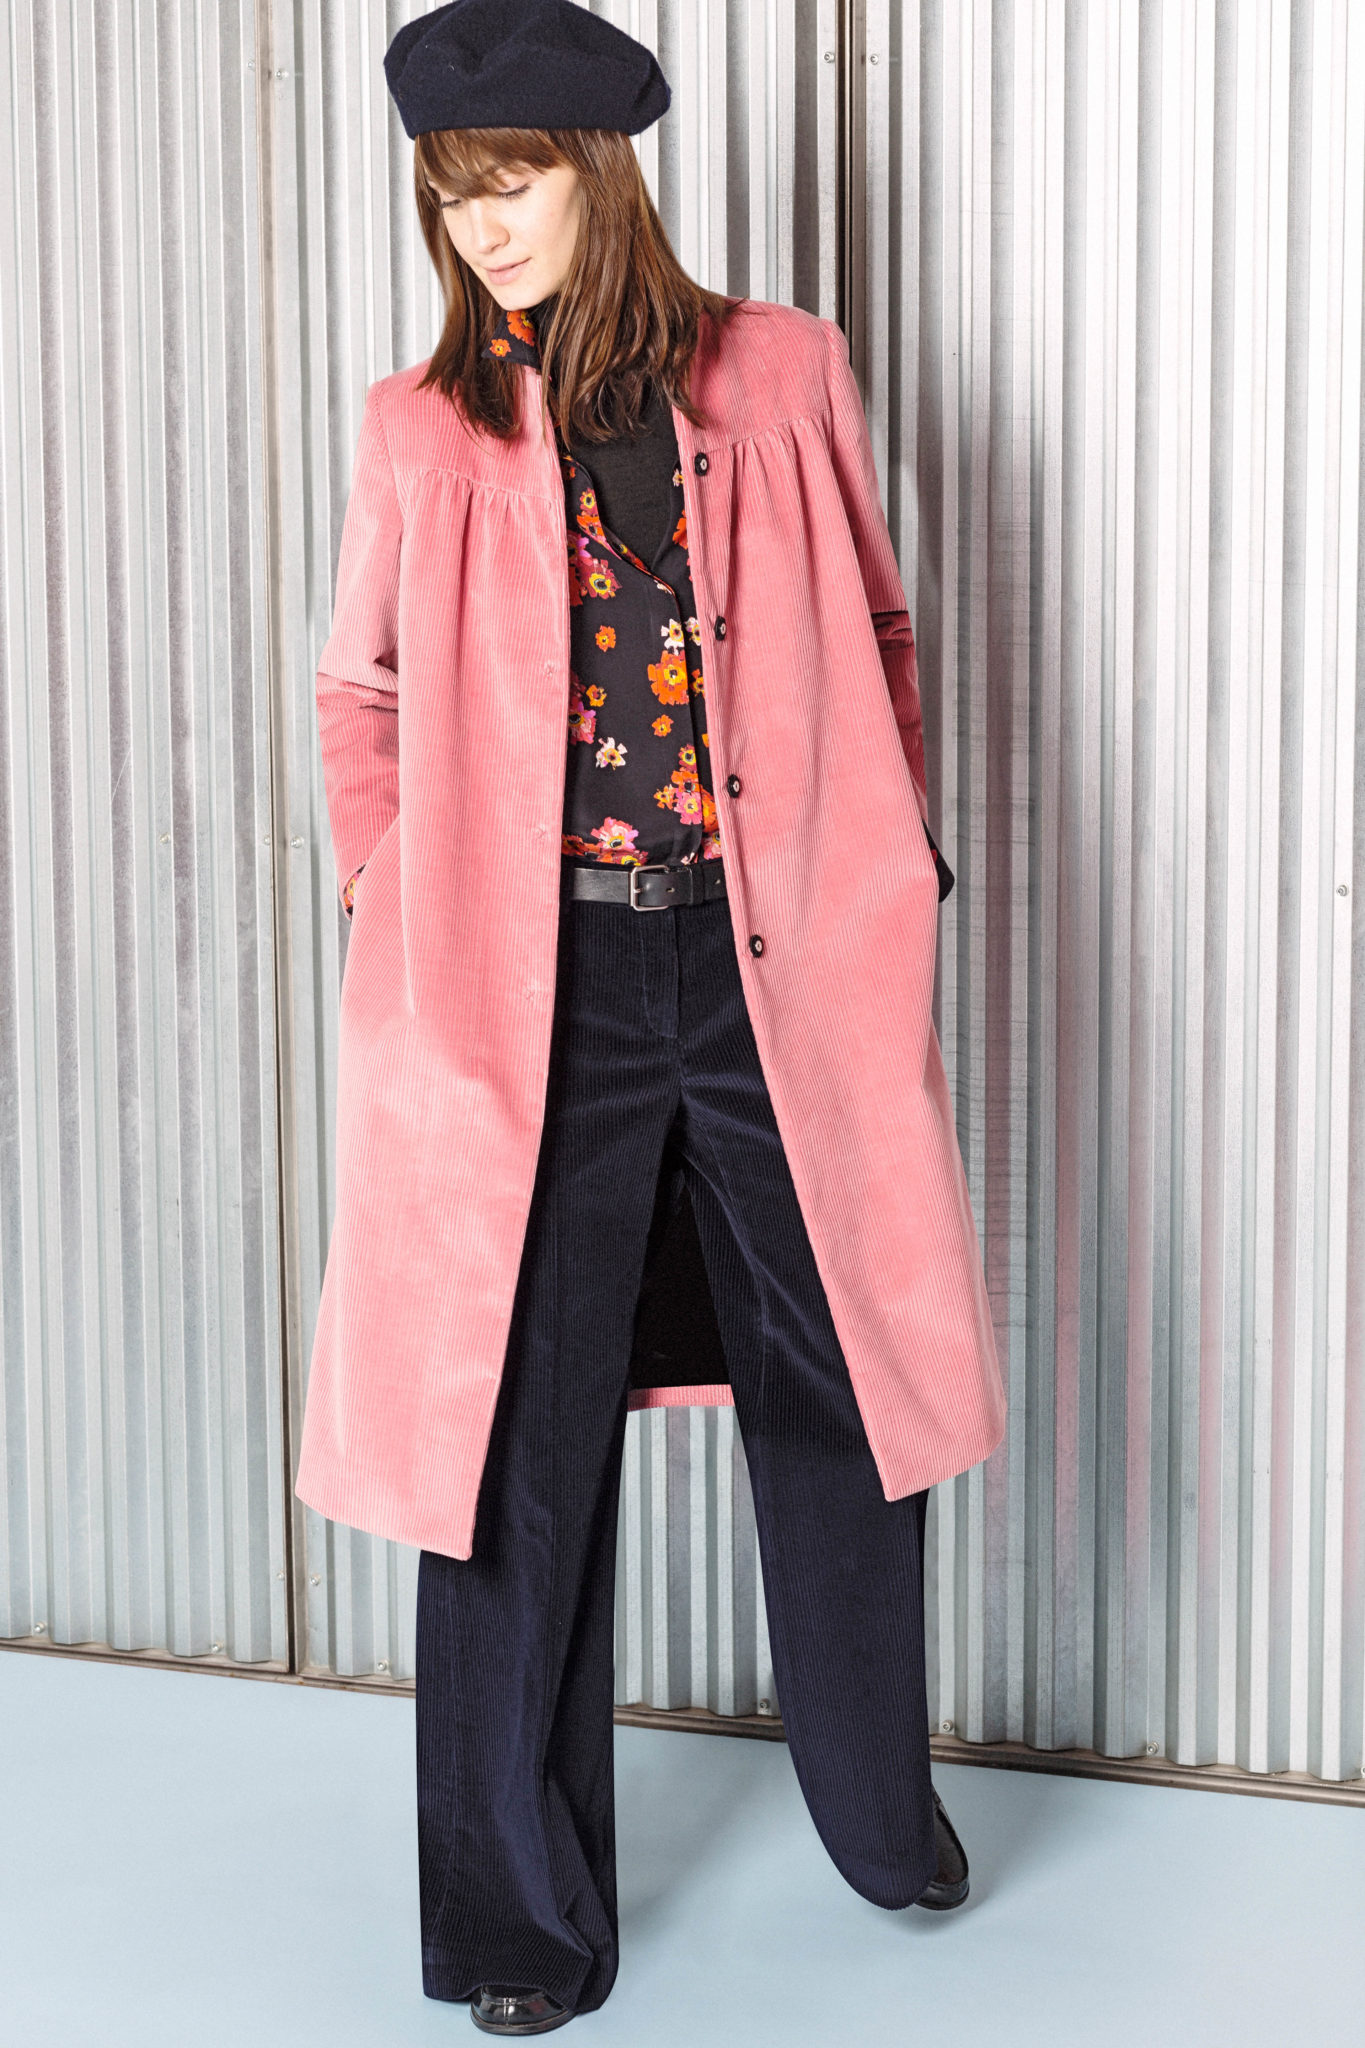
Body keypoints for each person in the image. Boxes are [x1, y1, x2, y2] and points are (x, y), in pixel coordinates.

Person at [294, 0, 1007, 2033]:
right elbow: (359, 697)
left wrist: (890, 866)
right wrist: (383, 891)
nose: (480, 225)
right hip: (532, 981)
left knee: (839, 1385)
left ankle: (878, 1819)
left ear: (595, 173)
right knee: (505, 1441)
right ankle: (518, 1923)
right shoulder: (421, 425)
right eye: (449, 194)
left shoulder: (778, 374)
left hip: (771, 959)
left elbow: (878, 627)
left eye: (508, 180)